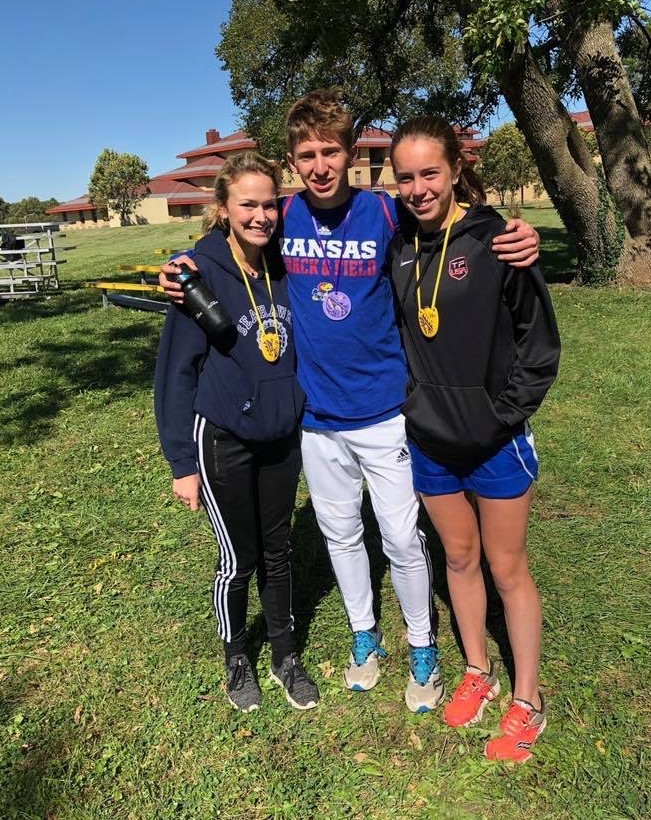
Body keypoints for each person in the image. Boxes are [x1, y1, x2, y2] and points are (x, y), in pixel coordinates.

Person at [160, 90, 541, 713]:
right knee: (341, 535)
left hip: (388, 410)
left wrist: (513, 233)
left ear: (348, 151)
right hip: (315, 419)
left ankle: (423, 646)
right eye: (306, 154)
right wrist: (176, 268)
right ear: (292, 160)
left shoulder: (384, 214)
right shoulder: (283, 219)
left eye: (330, 151)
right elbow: (224, 244)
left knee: (401, 537)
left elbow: (451, 220)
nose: (320, 165)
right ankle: (366, 637)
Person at [388, 116, 560, 761]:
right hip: (431, 439)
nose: (418, 187)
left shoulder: (498, 240)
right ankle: (479, 673)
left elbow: (538, 345)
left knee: (508, 568)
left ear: (456, 170)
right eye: (405, 176)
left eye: (430, 173)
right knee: (458, 561)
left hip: (493, 440)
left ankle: (528, 700)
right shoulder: (397, 243)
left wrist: (500, 415)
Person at [154, 152, 319, 713]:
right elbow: (175, 373)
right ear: (223, 209)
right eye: (247, 204)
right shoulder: (198, 274)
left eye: (270, 204)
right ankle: (235, 658)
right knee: (238, 558)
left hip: (281, 435)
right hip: (222, 436)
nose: (261, 215)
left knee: (279, 550)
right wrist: (182, 464)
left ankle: (283, 654)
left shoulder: (286, 262)